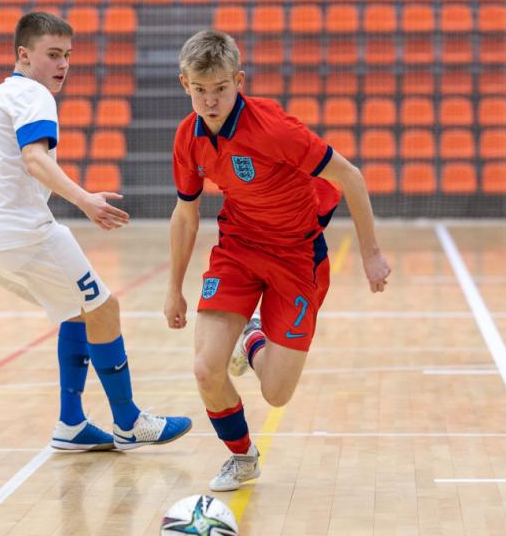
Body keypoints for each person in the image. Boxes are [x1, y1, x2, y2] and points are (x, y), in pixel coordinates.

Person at [0, 12, 191, 451]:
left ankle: (72, 424)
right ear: (24, 55)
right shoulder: (34, 96)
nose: (63, 65)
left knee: (75, 312)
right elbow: (35, 161)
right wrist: (86, 201)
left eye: (68, 56)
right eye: (53, 55)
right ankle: (129, 422)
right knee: (105, 309)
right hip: (26, 235)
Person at [165, 31, 391, 490]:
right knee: (206, 368)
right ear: (184, 83)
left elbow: (351, 177)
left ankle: (251, 339)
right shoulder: (188, 138)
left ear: (239, 81)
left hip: (297, 256)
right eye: (200, 90)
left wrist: (371, 254)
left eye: (221, 89)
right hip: (239, 249)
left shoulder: (273, 128)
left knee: (277, 393)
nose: (210, 101)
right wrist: (174, 289)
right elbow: (186, 215)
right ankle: (243, 457)